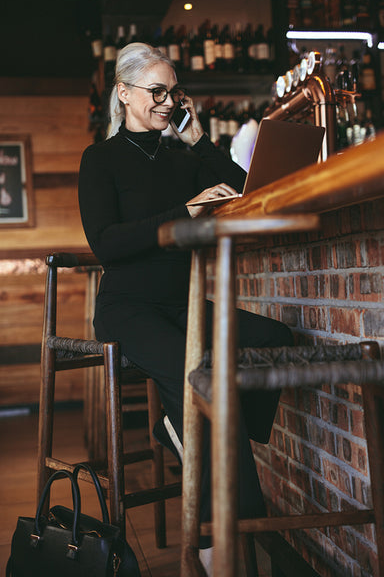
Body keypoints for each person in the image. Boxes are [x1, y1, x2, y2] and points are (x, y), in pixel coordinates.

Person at [79, 42, 293, 575]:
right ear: (124, 94)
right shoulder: (99, 158)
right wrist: (185, 210)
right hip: (127, 307)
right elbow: (106, 243)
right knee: (203, 381)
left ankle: (181, 428)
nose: (168, 102)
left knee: (275, 340)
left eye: (174, 92)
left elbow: (248, 194)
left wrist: (199, 140)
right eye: (156, 91)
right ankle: (237, 541)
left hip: (183, 303)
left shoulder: (182, 156)